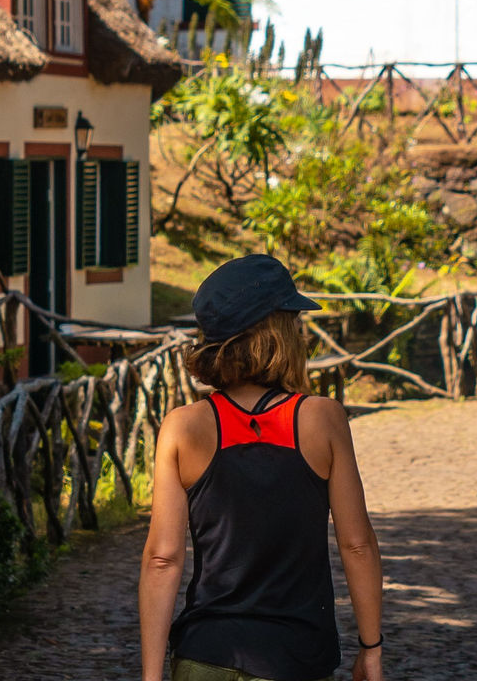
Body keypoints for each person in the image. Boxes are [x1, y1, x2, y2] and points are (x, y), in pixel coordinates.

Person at [141, 255, 386, 681]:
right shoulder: (322, 419)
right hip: (294, 659)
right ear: (280, 332)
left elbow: (162, 559)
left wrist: (150, 676)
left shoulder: (181, 427)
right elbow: (357, 544)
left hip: (205, 656)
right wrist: (371, 649)